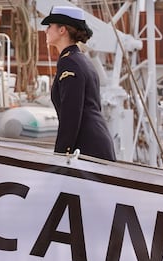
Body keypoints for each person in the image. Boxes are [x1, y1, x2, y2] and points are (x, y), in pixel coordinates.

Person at [41, 6, 116, 161]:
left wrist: (62, 154)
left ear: (62, 30)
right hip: (94, 144)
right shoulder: (81, 60)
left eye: (50, 26)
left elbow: (71, 114)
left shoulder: (70, 63)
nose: (46, 31)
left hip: (87, 148)